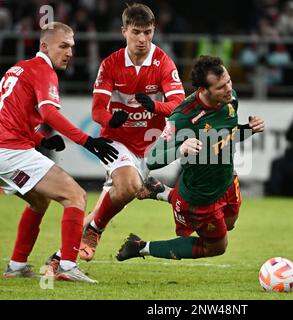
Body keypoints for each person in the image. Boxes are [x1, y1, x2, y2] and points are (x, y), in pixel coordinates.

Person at [0, 22, 118, 283]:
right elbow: (49, 113)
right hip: (11, 152)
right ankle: (66, 265)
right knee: (76, 195)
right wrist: (88, 141)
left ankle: (17, 265)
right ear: (44, 46)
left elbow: (9, 117)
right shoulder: (43, 71)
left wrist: (41, 139)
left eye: (72, 47)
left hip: (7, 150)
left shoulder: (16, 69)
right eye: (63, 46)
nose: (69, 52)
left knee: (39, 201)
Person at [116, 55, 265, 262]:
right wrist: (180, 149)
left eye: (229, 81)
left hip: (228, 180)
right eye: (221, 87)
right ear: (204, 90)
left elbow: (226, 135)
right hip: (200, 198)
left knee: (230, 223)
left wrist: (248, 130)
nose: (229, 89)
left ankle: (161, 192)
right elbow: (152, 158)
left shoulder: (231, 100)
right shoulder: (183, 117)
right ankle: (140, 247)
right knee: (217, 247)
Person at [74, 3, 185, 263]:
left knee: (118, 195)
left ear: (154, 30)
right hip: (115, 141)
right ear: (124, 31)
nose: (142, 39)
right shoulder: (111, 64)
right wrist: (112, 118)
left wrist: (155, 106)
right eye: (136, 32)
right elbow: (97, 111)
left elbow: (178, 105)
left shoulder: (163, 63)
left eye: (147, 32)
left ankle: (61, 256)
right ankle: (94, 232)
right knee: (131, 185)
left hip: (146, 146)